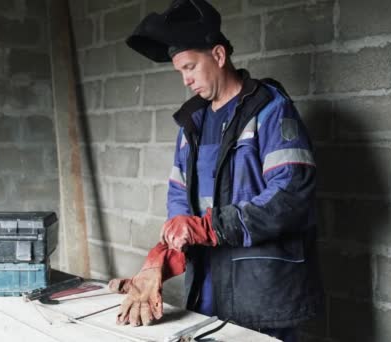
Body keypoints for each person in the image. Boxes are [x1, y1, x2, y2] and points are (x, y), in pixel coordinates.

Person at [108, 1, 323, 340]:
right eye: (180, 71)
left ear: (219, 56)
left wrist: (209, 228)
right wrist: (160, 258)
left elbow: (292, 197)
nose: (186, 80)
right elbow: (179, 198)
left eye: (190, 67)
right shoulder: (192, 123)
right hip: (207, 288)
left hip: (263, 291)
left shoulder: (270, 111)